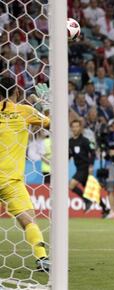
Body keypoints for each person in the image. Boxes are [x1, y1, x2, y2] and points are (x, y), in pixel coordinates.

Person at [0, 77, 50, 271]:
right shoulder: (25, 111)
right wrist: (46, 105)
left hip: (10, 180)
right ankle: (41, 258)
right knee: (28, 219)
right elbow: (52, 125)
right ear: (18, 93)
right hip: (11, 182)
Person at [69, 119, 97, 212]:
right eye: (73, 127)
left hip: (85, 167)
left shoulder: (85, 140)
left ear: (80, 128)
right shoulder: (70, 142)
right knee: (88, 190)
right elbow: (71, 154)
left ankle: (87, 201)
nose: (75, 128)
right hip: (78, 168)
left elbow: (93, 153)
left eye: (77, 126)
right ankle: (105, 208)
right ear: (71, 128)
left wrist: (91, 166)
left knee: (71, 185)